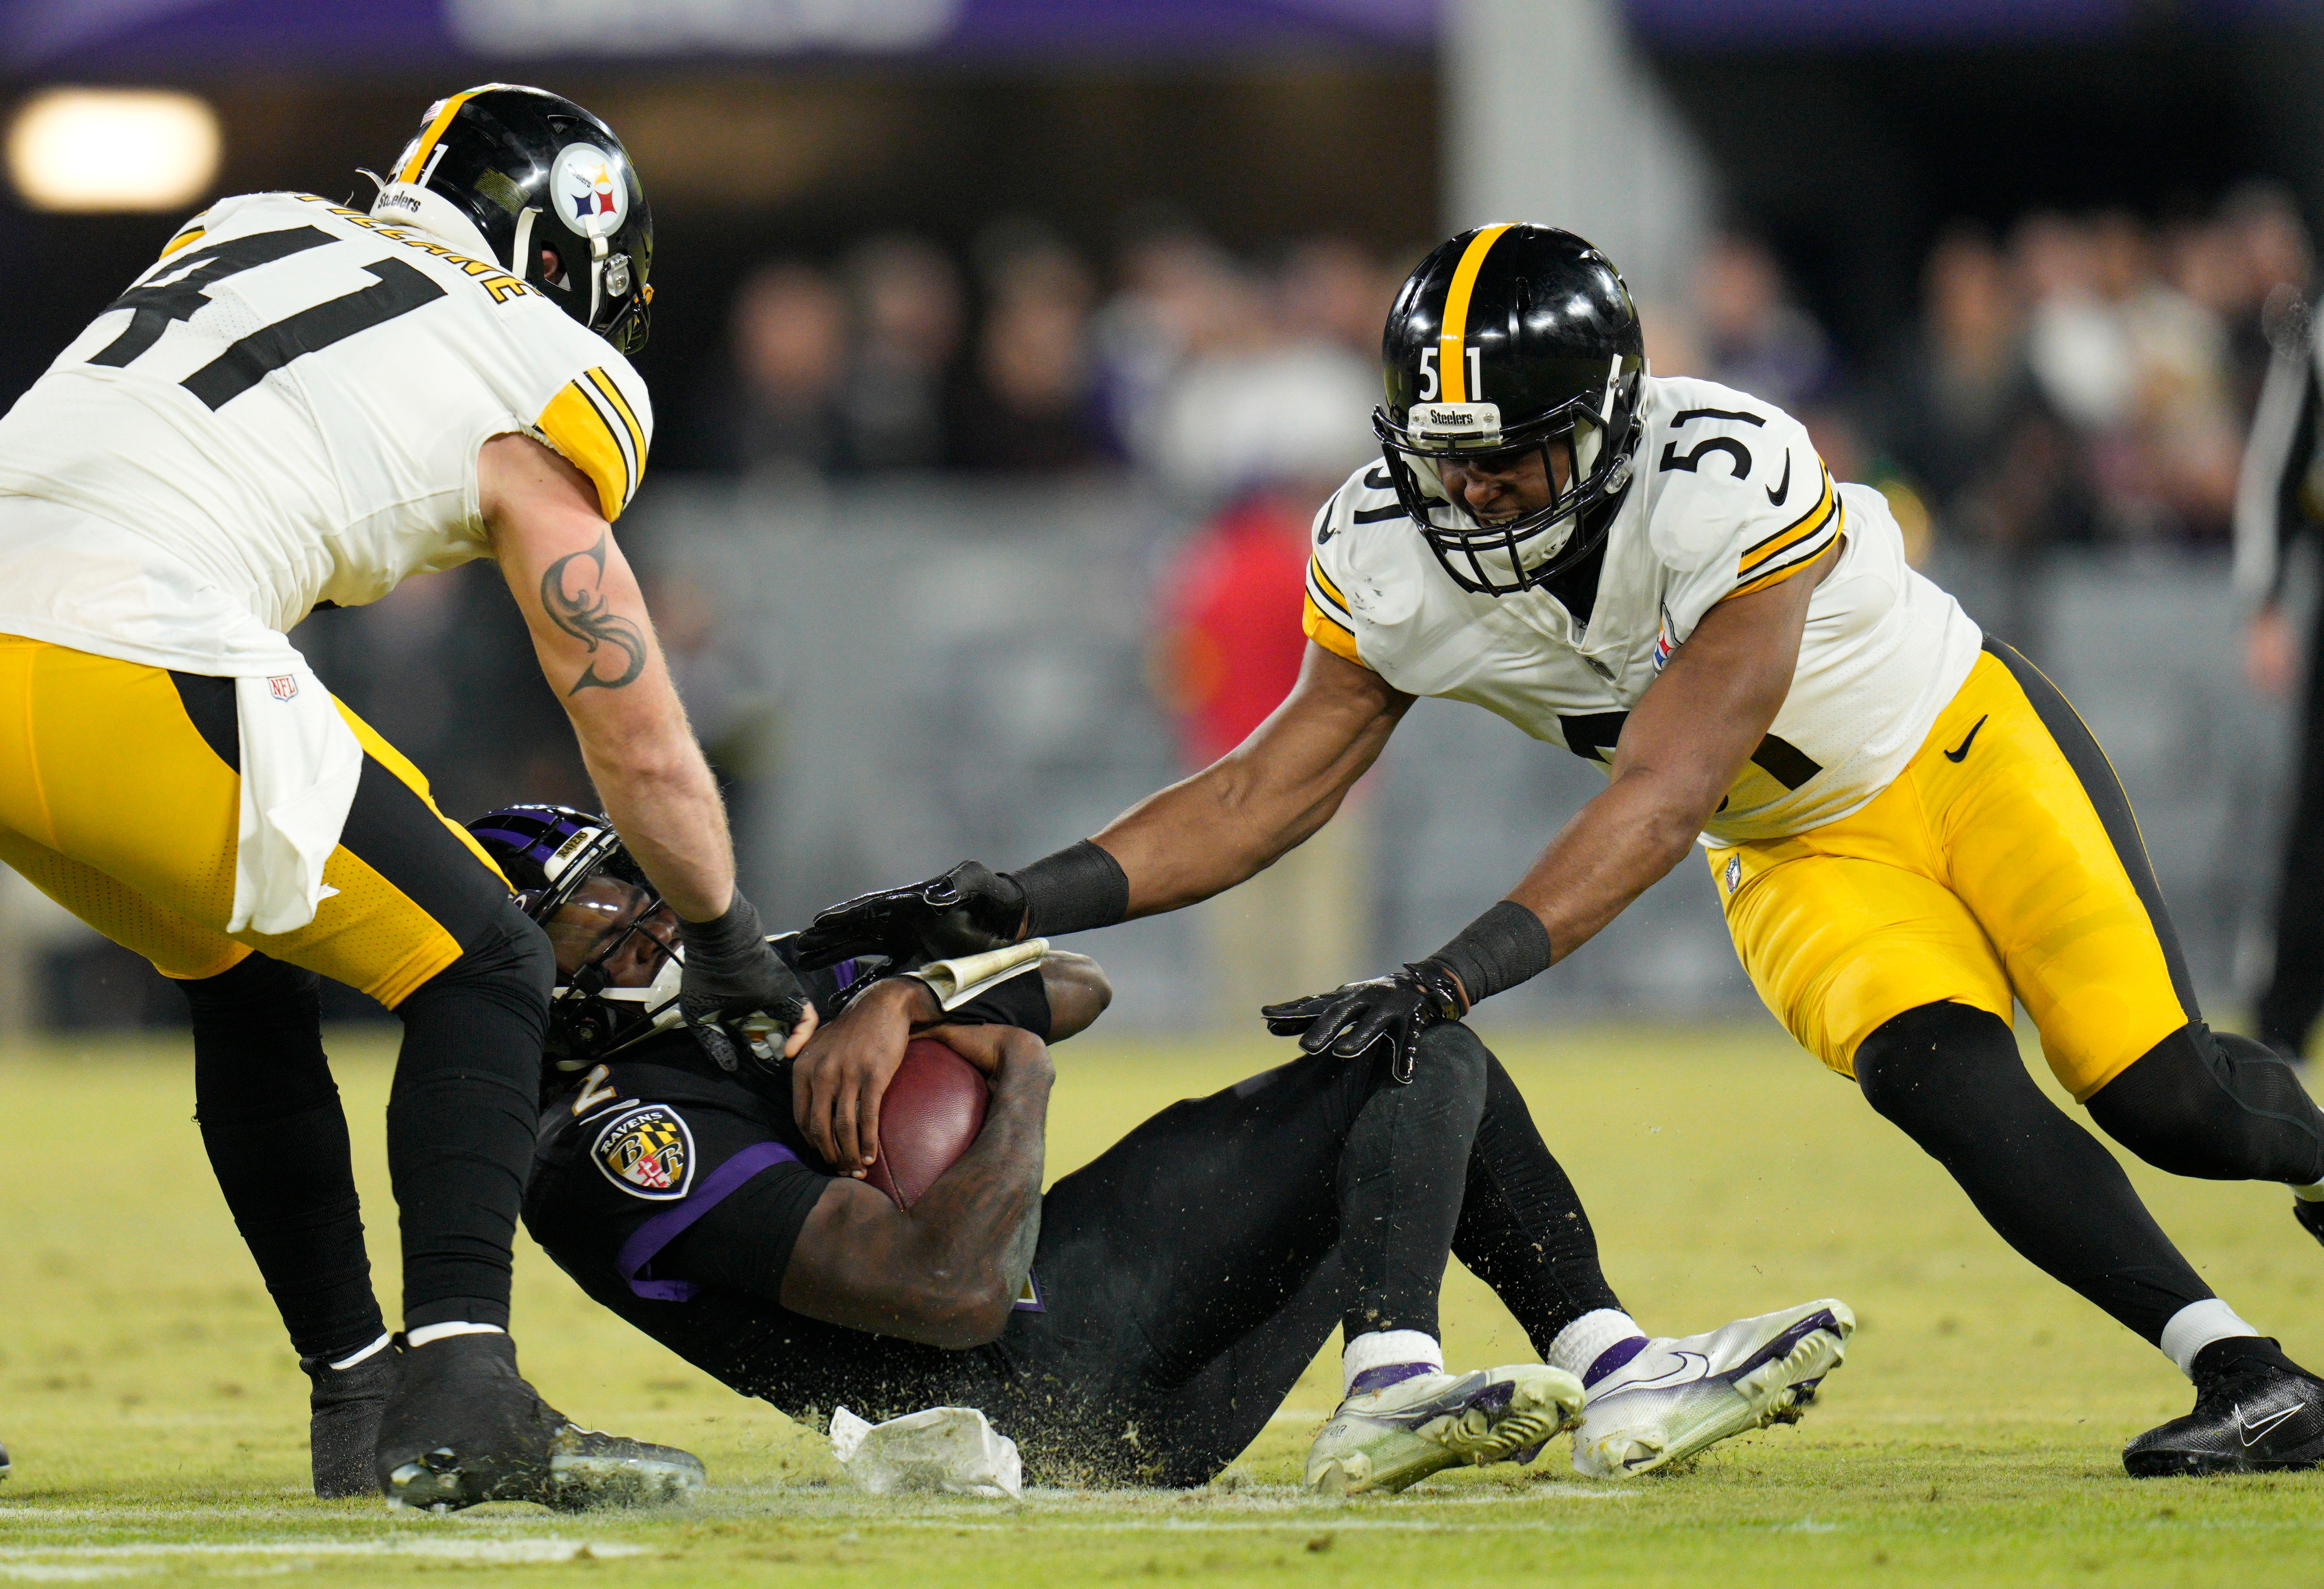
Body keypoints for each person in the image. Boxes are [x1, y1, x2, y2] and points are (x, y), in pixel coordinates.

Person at [797, 223, 2324, 1477]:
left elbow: (1659, 792)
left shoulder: (1727, 475)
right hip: (1794, 853)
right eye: (1445, 456)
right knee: (1953, 1093)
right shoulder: (1389, 546)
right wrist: (1022, 891)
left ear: (1605, 420)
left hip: (1955, 749)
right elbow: (1268, 790)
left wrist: (1451, 980)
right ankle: (2249, 1375)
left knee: (2167, 1096)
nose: (1471, 493)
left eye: (1510, 458)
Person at [0, 84, 817, 1507]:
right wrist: (721, 932)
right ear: (575, 254)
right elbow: (633, 723)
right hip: (121, 634)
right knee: (485, 958)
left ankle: (358, 1397)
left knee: (237, 960)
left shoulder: (254, 222)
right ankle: (465, 1390)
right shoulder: (542, 366)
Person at [464, 805, 1852, 1493]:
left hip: (1127, 1415)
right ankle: (1400, 1382)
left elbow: (1072, 977)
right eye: (602, 915)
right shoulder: (609, 1142)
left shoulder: (745, 996)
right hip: (1027, 1381)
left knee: (1421, 1056)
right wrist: (1007, 1071)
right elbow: (948, 1296)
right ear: (531, 962)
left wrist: (901, 998)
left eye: (637, 884)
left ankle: (1615, 1366)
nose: (648, 917)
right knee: (1411, 1047)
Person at [2236, 287, 2324, 1059]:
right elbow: (2276, 463)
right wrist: (2263, 600)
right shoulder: (2317, 320)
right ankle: (2284, 1020)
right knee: (2317, 816)